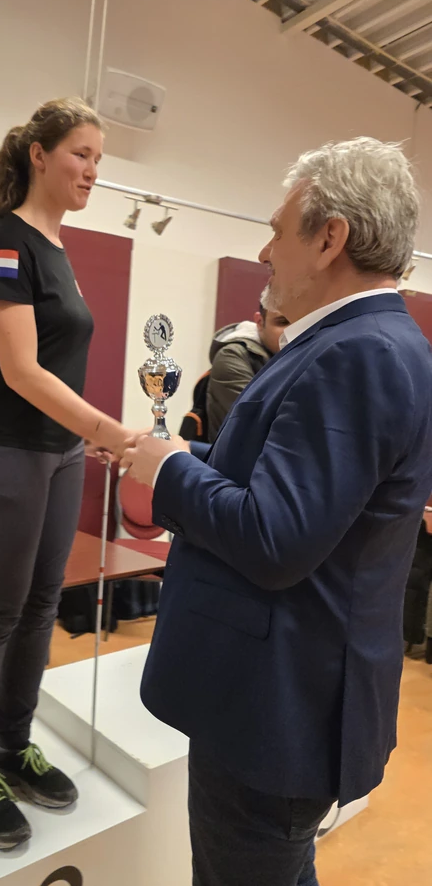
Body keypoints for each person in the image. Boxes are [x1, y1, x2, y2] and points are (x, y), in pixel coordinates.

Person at [123, 137, 432, 886]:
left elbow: (276, 536)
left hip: (274, 706)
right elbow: (297, 498)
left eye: (277, 228)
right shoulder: (362, 343)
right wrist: (195, 462)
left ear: (331, 238)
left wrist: (167, 472)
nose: (264, 251)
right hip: (279, 699)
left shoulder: (355, 352)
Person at [0, 98, 136, 851]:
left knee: (40, 605)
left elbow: (55, 361)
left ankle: (14, 743)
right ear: (39, 155)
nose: (93, 171)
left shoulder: (58, 247)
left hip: (59, 453)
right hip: (7, 448)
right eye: (82, 154)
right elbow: (21, 369)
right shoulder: (3, 241)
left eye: (99, 160)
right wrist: (107, 429)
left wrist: (82, 436)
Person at [205, 297, 289, 440]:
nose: (291, 331)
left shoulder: (302, 353)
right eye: (282, 322)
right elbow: (258, 425)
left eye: (300, 323)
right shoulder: (233, 355)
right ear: (259, 322)